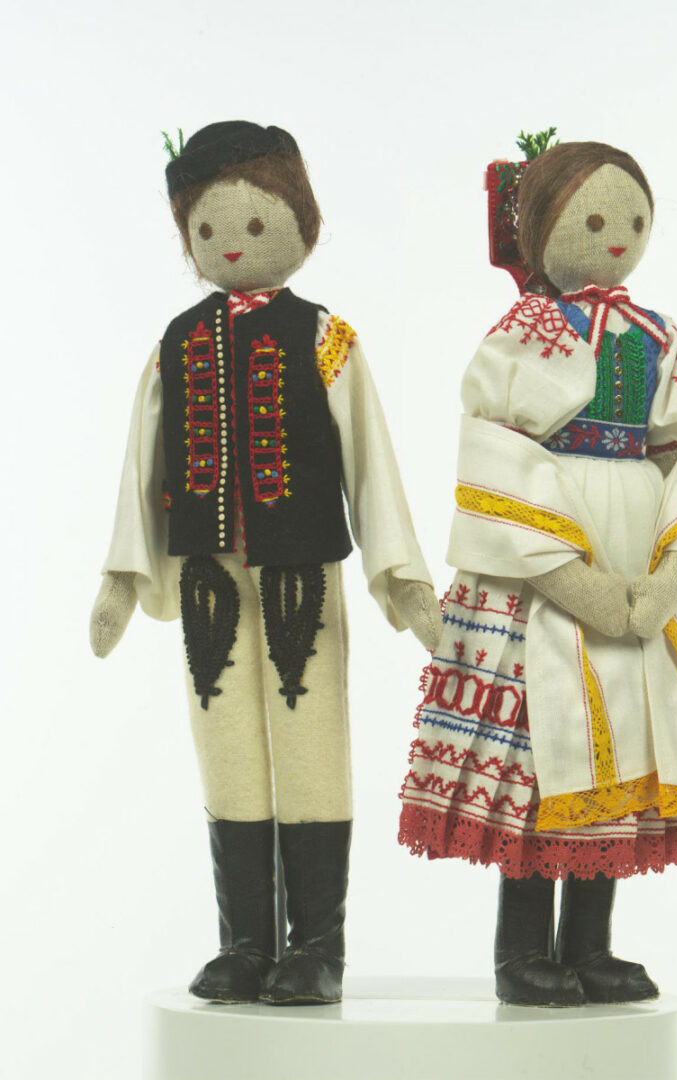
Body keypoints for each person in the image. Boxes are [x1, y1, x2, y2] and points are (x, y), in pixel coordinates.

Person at [91, 121, 441, 1006]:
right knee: (227, 749)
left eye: (254, 222)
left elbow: (370, 460)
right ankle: (245, 944)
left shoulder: (325, 337)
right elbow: (141, 463)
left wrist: (401, 576)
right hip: (207, 577)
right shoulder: (176, 343)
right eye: (208, 229)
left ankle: (315, 948)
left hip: (301, 575)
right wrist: (121, 578)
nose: (233, 243)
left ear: (300, 222)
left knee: (311, 745)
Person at [399, 140, 677, 1007]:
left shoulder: (659, 337)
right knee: (538, 748)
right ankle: (521, 953)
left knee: (626, 735)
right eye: (591, 220)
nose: (615, 236)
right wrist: (565, 577)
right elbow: (494, 450)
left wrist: (669, 576)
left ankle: (589, 947)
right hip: (545, 564)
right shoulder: (525, 332)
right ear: (540, 229)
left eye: (631, 219)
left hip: (635, 551)